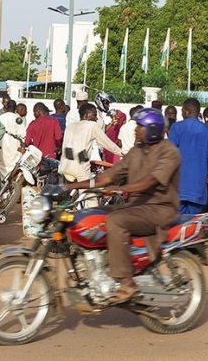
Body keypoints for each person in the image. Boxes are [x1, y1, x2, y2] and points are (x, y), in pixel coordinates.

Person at [62, 108, 180, 304]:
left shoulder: (169, 152)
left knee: (116, 220)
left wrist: (119, 189)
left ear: (152, 129)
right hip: (136, 206)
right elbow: (108, 176)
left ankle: (127, 283)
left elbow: (149, 182)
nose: (135, 130)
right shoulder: (137, 151)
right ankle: (98, 270)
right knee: (89, 215)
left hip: (160, 209)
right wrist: (70, 186)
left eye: (140, 127)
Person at [168, 98, 208, 214]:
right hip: (198, 185)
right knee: (193, 224)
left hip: (178, 184)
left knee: (175, 225)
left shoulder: (176, 127)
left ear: (186, 111)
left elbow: (169, 153)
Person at [60, 103, 122, 183]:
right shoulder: (92, 125)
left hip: (63, 167)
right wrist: (125, 153)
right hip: (80, 170)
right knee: (90, 194)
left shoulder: (70, 126)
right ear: (86, 115)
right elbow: (109, 145)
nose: (96, 118)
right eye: (94, 115)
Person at [0, 100, 25, 178]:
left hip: (2, 144)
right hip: (15, 146)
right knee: (14, 165)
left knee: (3, 164)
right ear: (15, 108)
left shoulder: (0, 118)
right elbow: (22, 135)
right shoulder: (18, 119)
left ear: (6, 107)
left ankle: (3, 185)